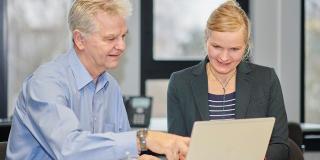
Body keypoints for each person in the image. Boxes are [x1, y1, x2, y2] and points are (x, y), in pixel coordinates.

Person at [6, 0, 189, 160]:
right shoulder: (45, 83)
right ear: (79, 40)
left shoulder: (111, 87)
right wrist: (143, 138)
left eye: (124, 36)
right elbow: (69, 150)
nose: (122, 46)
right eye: (110, 38)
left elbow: (115, 151)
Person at [167, 1, 288, 160]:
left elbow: (282, 146)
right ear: (206, 40)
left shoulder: (266, 80)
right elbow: (176, 145)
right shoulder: (180, 83)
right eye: (217, 46)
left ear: (246, 46)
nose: (224, 57)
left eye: (234, 49)